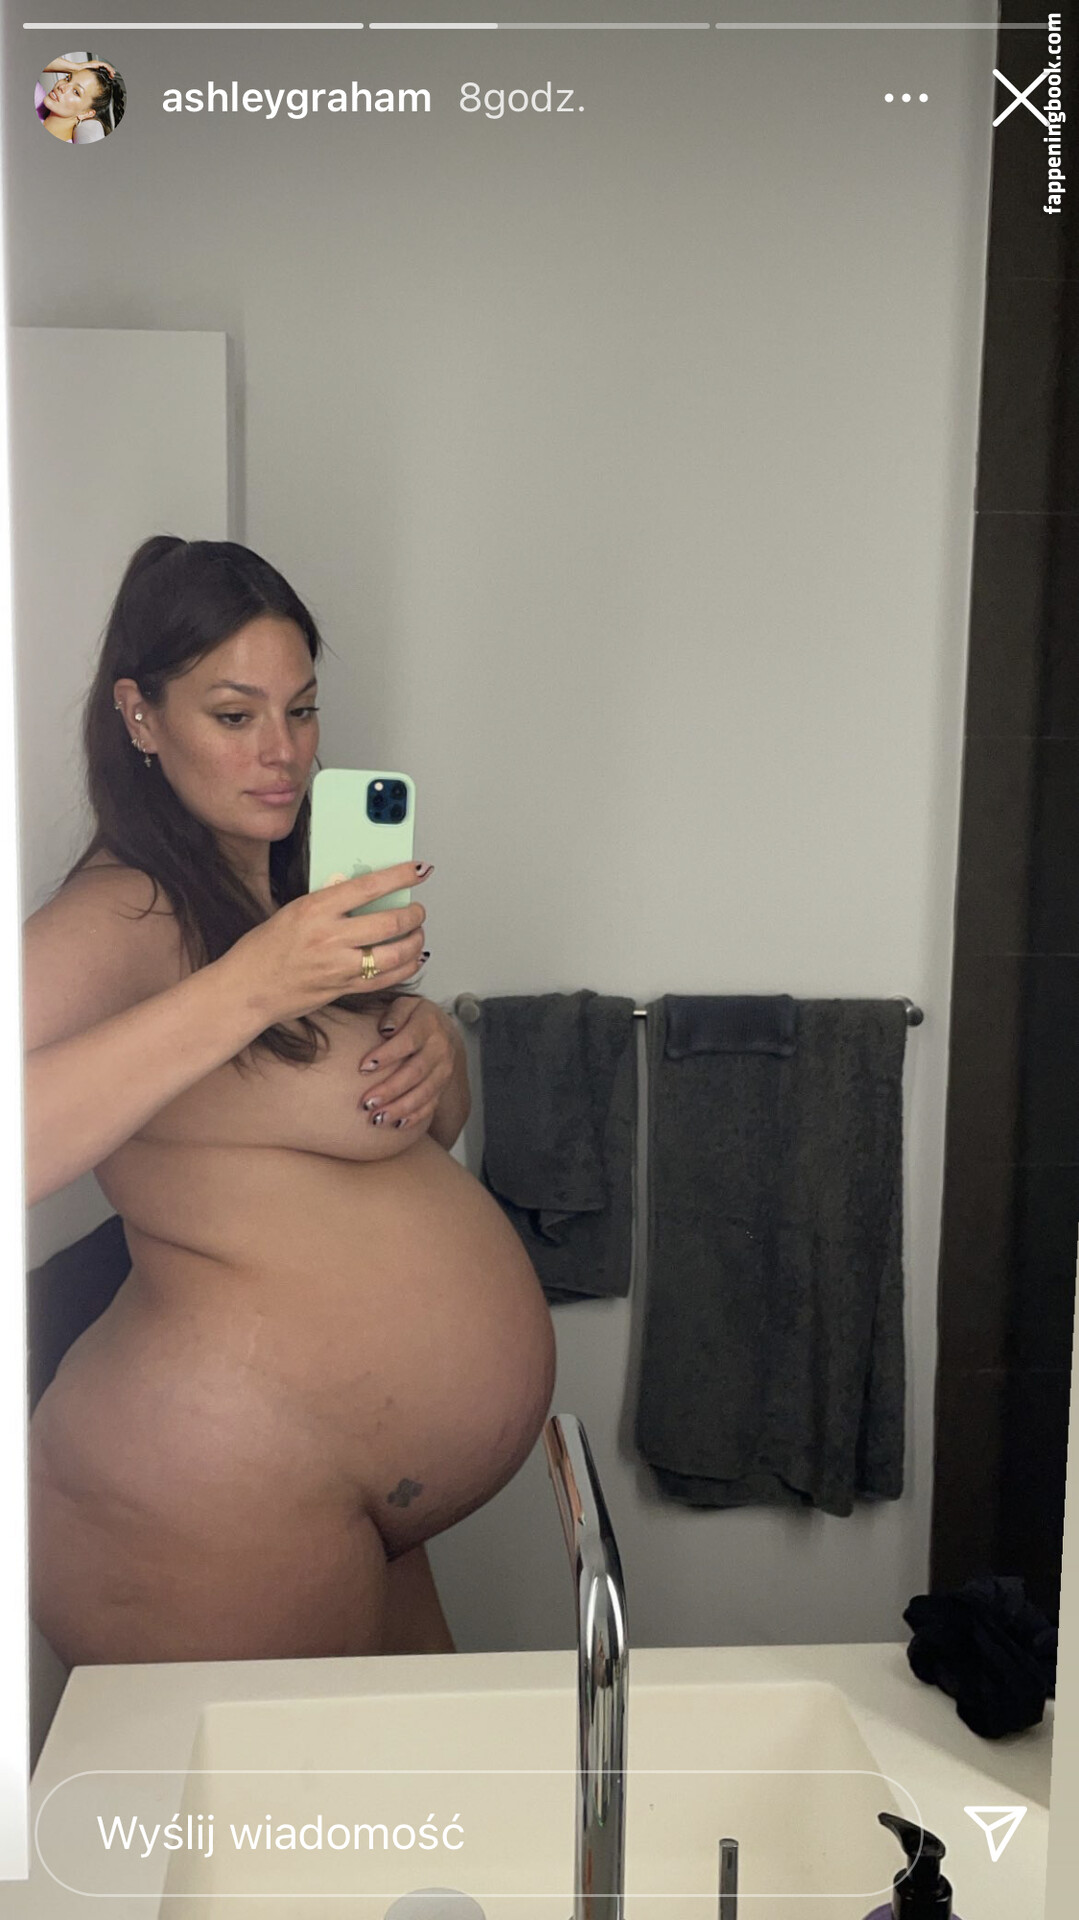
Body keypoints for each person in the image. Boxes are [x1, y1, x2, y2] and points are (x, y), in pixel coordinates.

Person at [25, 536, 556, 1664]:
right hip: (201, 1503)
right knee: (306, 1790)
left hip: (337, 1496)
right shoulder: (124, 911)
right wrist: (253, 985)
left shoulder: (279, 896)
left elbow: (372, 1141)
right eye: (234, 715)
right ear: (139, 716)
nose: (282, 754)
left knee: (414, 1780)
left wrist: (435, 1055)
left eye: (301, 711)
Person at [36, 55, 125, 144]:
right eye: (68, 78)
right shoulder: (38, 101)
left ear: (86, 114)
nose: (62, 86)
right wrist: (77, 66)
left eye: (76, 92)